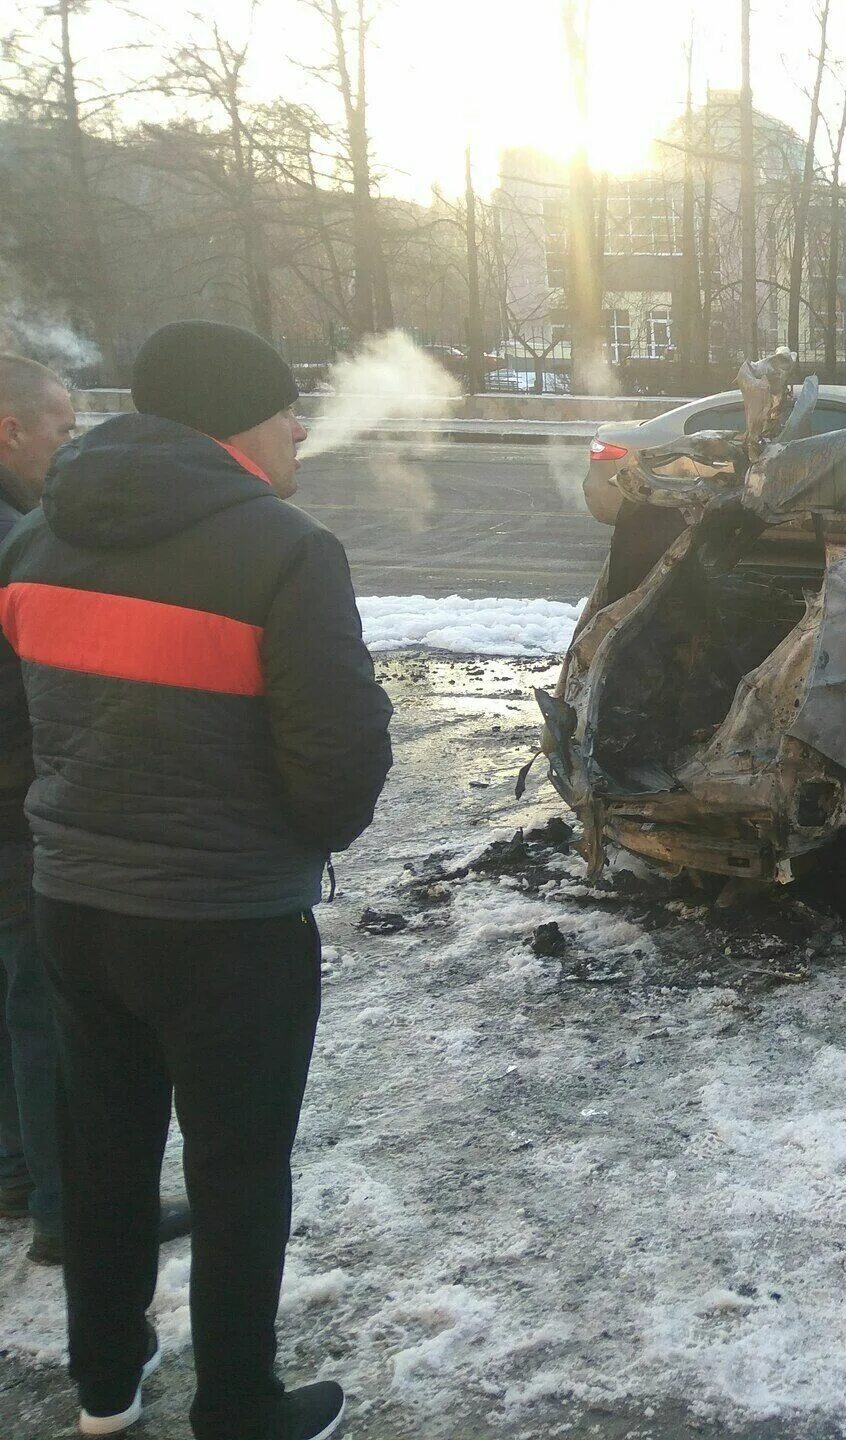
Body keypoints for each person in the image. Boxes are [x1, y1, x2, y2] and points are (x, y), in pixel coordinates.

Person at [0, 321, 393, 1440]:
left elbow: (11, 734)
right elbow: (337, 770)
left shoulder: (36, 539)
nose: (302, 428)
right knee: (236, 1167)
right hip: (227, 925)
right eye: (286, 410)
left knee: (103, 1151)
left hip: (73, 909)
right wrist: (284, 833)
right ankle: (235, 1403)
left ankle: (105, 1388)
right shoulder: (284, 550)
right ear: (237, 423)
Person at [0, 354, 195, 1273]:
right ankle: (68, 1212)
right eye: (63, 430)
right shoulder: (19, 534)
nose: (68, 446)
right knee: (44, 1004)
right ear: (12, 430)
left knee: (15, 995)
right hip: (17, 809)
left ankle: (19, 1169)